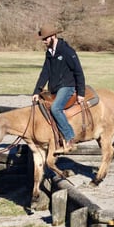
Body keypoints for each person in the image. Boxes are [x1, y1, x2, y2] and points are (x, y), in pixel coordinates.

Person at [32, 23, 86, 154]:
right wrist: (37, 91)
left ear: (53, 36)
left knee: (56, 108)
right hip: (55, 87)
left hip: (68, 86)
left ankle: (70, 138)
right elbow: (45, 72)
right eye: (43, 39)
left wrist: (81, 93)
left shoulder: (67, 51)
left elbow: (78, 71)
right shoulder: (49, 53)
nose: (44, 42)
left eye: (45, 39)